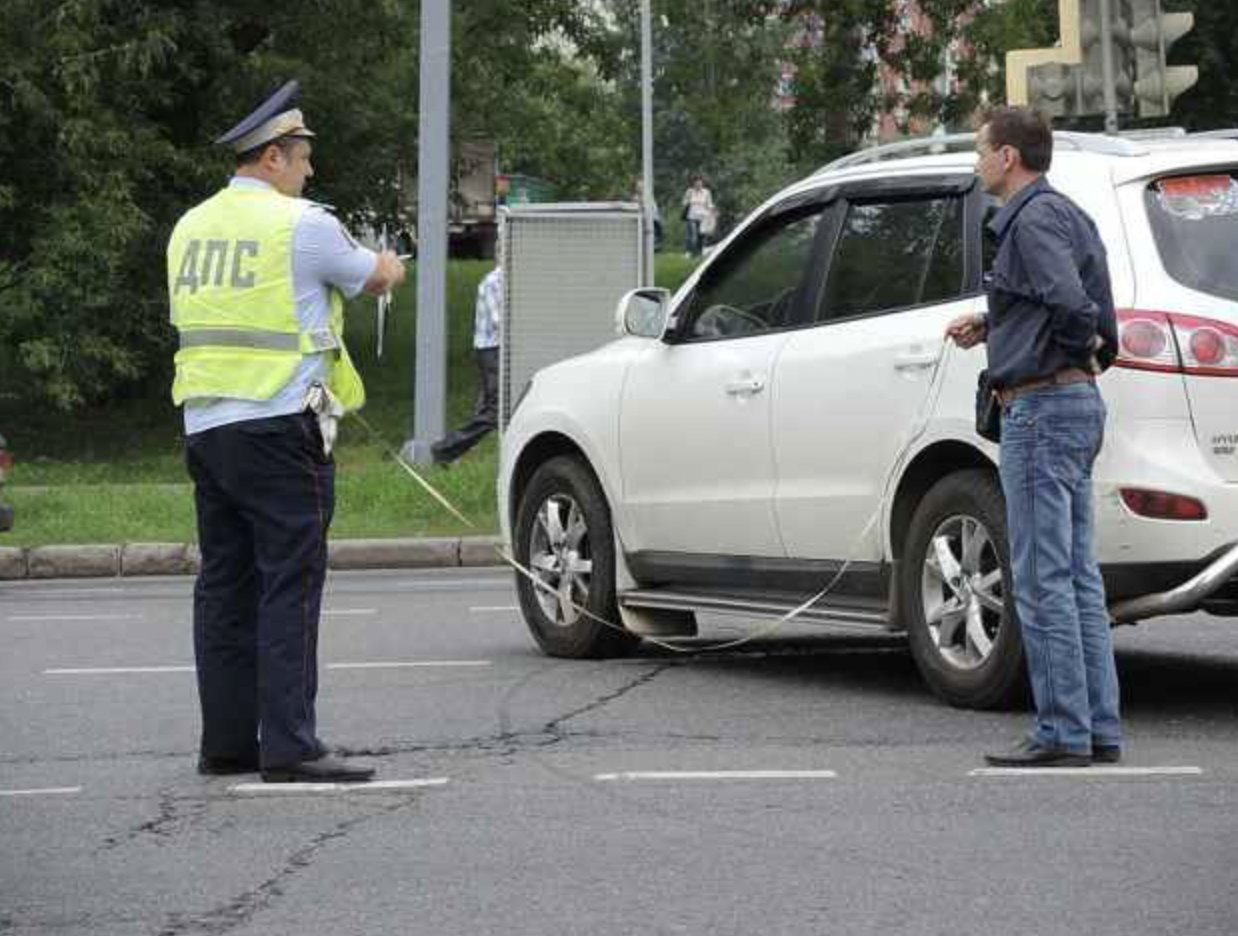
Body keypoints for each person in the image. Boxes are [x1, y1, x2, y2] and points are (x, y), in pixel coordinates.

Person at [167, 80, 406, 783]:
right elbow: (374, 276)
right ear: (272, 158)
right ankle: (292, 745)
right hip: (277, 427)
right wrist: (391, 266)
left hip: (206, 426)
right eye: (302, 159)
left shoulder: (189, 227)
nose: (309, 173)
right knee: (290, 584)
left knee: (224, 586)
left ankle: (228, 743)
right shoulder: (300, 224)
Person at [946, 107, 1122, 768]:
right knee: (1076, 576)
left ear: (1008, 158)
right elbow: (1076, 307)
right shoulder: (1067, 213)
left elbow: (1073, 308)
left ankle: (1061, 731)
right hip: (1072, 401)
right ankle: (1097, 727)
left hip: (1043, 409)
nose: (976, 162)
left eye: (981, 150)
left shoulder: (1033, 219)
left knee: (1043, 577)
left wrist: (1060, 356)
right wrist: (993, 324)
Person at [431, 262, 502, 464]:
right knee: (495, 410)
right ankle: (444, 450)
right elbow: (500, 321)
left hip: (498, 350)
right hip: (492, 350)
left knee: (487, 407)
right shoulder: (493, 282)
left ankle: (452, 452)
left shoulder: (506, 281)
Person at [681, 175, 714, 256]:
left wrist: (712, 210)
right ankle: (689, 252)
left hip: (703, 217)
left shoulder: (706, 192)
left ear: (702, 183)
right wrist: (688, 201)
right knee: (692, 235)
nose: (698, 184)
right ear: (693, 183)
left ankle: (700, 251)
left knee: (702, 236)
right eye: (696, 183)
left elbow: (709, 204)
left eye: (700, 183)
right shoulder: (689, 191)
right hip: (692, 216)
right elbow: (684, 203)